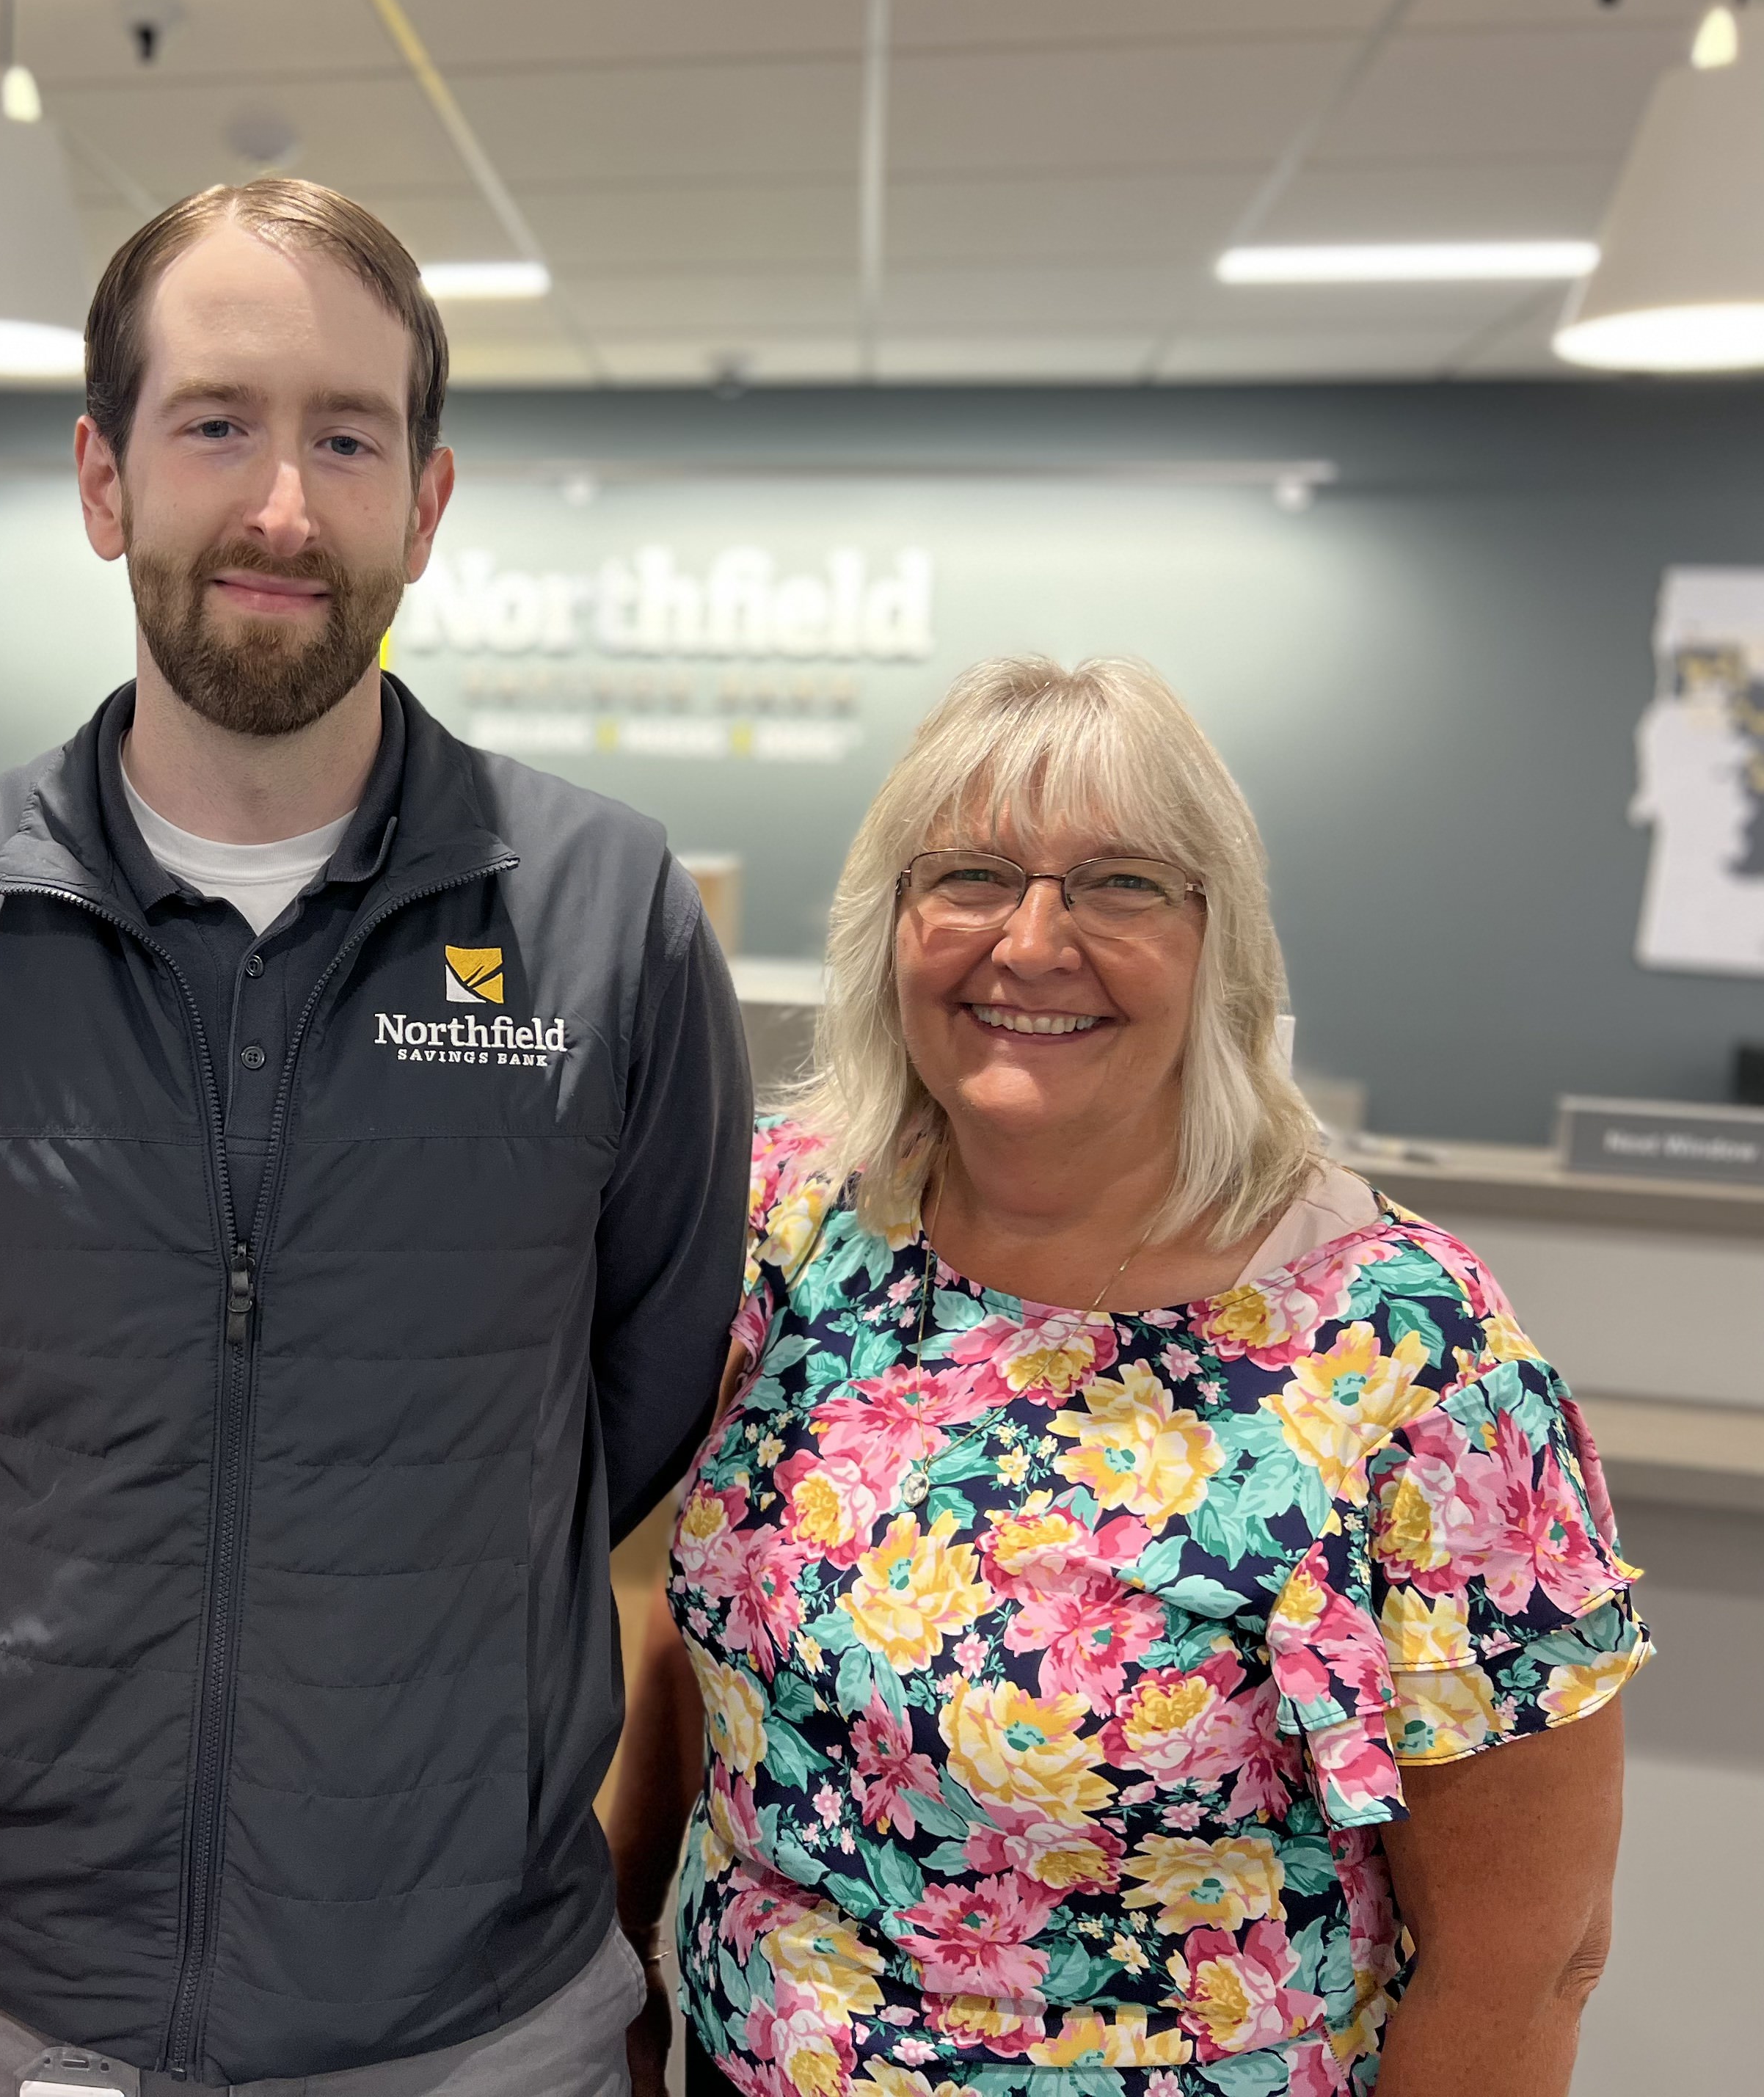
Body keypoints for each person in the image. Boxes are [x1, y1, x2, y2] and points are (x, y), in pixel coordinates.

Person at [0, 178, 754, 2092]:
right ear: (101, 479)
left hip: (473, 2008)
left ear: (429, 502)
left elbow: (633, 1403)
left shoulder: (603, 915)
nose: (284, 504)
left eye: (345, 435)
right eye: (216, 422)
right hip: (18, 1993)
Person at [606, 654, 1648, 2097]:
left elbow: (1528, 1960)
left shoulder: (1413, 1354)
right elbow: (699, 1628)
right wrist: (626, 1975)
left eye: (1119, 885)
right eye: (970, 876)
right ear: (889, 927)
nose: (1032, 944)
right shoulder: (794, 1223)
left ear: (1223, 945)